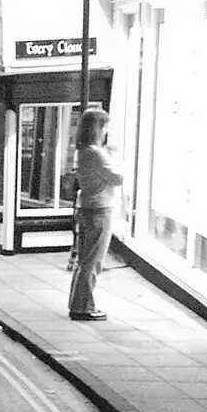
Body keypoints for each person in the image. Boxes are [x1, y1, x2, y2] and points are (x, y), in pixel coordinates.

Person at [68, 107, 123, 322]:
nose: (107, 130)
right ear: (97, 128)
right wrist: (116, 156)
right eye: (105, 126)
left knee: (85, 259)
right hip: (100, 209)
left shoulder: (82, 151)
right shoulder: (96, 153)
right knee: (93, 261)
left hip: (88, 208)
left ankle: (77, 303)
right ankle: (83, 308)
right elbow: (117, 178)